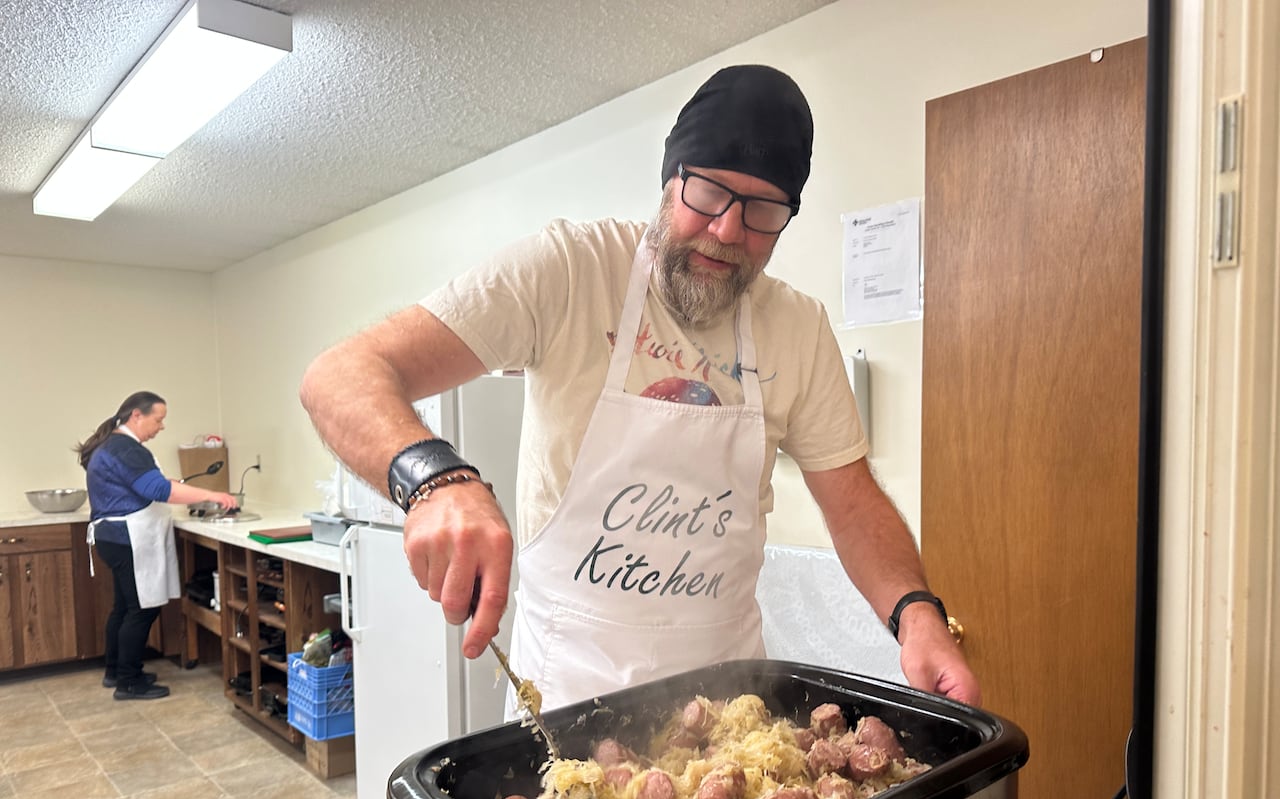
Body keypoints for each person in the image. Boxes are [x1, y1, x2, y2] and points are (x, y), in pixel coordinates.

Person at [300, 64, 979, 712]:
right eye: (708, 193)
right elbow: (339, 376)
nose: (727, 231)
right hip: (566, 704)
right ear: (669, 178)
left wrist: (915, 614)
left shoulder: (796, 328)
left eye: (764, 210)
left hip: (728, 719)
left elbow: (854, 502)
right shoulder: (570, 270)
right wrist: (434, 479)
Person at [77, 391, 239, 700]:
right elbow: (159, 490)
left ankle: (116, 671)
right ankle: (129, 682)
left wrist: (176, 487)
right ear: (136, 415)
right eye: (158, 419)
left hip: (113, 538)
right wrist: (213, 495)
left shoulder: (111, 445)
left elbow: (146, 486)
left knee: (124, 608)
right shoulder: (126, 448)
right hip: (128, 538)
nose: (161, 427)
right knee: (141, 610)